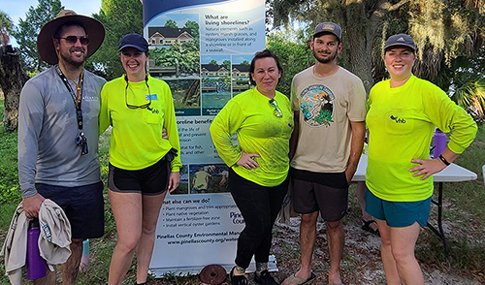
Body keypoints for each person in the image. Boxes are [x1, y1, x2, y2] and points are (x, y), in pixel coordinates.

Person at [365, 33, 477, 285]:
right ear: (384, 58)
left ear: (414, 58)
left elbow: (466, 126)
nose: (398, 58)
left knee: (402, 254)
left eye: (405, 53)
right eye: (392, 53)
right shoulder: (377, 90)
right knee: (385, 243)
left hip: (408, 190)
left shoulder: (426, 92)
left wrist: (442, 161)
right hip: (376, 184)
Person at [17, 9, 106, 284]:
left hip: (87, 182)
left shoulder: (101, 86)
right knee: (45, 245)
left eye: (83, 40)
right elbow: (27, 139)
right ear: (57, 44)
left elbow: (126, 121)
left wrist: (156, 128)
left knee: (77, 240)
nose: (79, 45)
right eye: (71, 39)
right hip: (49, 182)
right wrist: (28, 191)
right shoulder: (37, 87)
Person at [283, 22, 366, 285]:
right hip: (302, 166)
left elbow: (358, 130)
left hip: (334, 168)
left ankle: (334, 273)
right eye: (320, 42)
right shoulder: (299, 80)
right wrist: (290, 158)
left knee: (333, 224)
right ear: (312, 45)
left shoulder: (352, 82)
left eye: (330, 43)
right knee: (306, 219)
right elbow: (296, 125)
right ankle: (304, 269)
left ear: (338, 48)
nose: (325, 47)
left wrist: (349, 170)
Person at [99, 33, 182, 285]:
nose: (131, 59)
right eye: (127, 54)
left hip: (157, 167)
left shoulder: (162, 89)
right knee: (128, 240)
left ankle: (141, 280)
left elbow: (172, 129)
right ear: (121, 58)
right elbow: (96, 128)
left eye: (137, 54)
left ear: (147, 57)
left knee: (148, 229)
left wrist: (175, 166)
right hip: (124, 170)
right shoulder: (110, 89)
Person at [210, 49, 293, 285]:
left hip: (278, 176)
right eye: (260, 71)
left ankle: (263, 271)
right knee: (258, 226)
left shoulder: (283, 100)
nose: (266, 76)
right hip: (249, 178)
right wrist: (236, 157)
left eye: (271, 70)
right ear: (253, 76)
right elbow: (218, 129)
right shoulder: (242, 102)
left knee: (268, 226)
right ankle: (238, 270)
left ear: (279, 73)